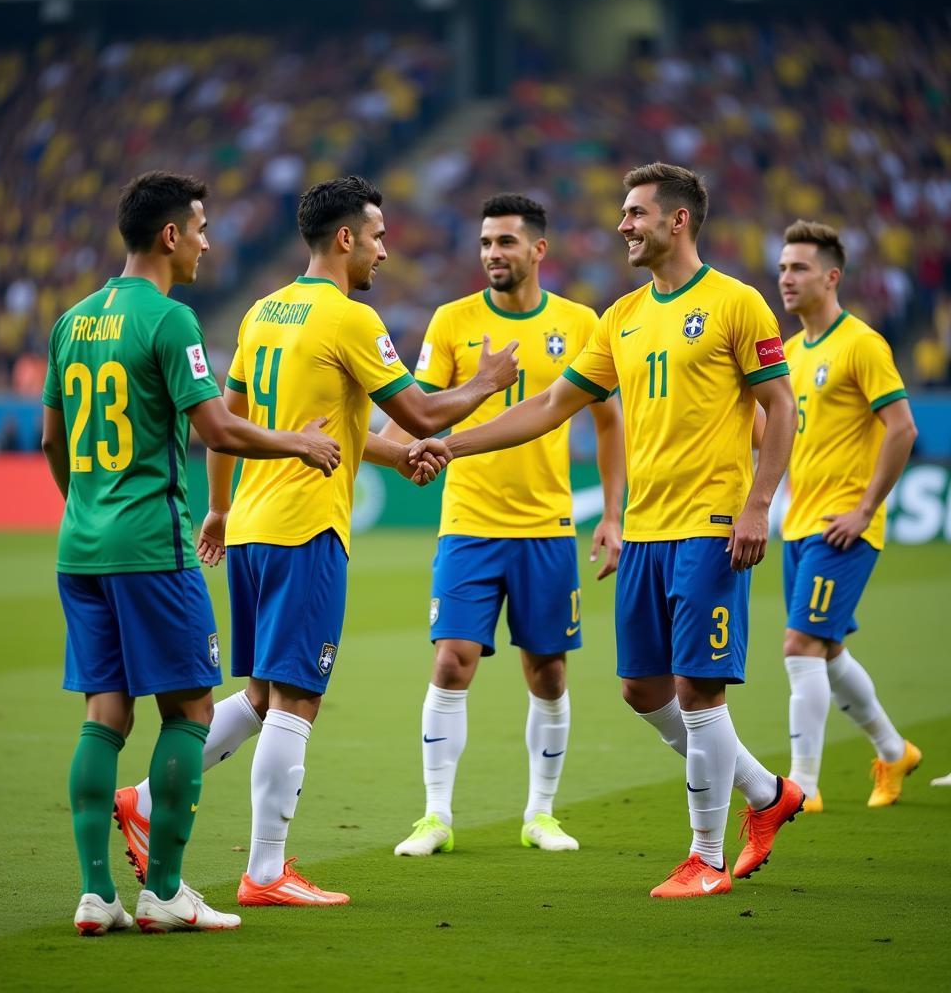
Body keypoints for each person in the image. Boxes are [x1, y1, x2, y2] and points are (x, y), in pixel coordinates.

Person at [113, 175, 519, 906]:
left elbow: (230, 420)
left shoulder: (264, 312)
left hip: (254, 530)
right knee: (298, 700)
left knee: (264, 697)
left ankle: (144, 798)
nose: (385, 252)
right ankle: (267, 872)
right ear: (345, 239)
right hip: (308, 530)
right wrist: (488, 381)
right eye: (379, 236)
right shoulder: (350, 319)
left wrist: (218, 511)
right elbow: (423, 412)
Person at [410, 163, 803, 898]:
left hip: (712, 525)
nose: (623, 225)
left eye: (635, 213)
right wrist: (451, 442)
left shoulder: (736, 303)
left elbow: (781, 408)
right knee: (640, 690)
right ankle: (765, 792)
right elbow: (554, 403)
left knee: (697, 691)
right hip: (648, 530)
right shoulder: (620, 316)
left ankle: (705, 857)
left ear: (677, 220)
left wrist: (758, 505)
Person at [41, 171, 342, 935]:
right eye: (201, 228)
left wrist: (86, 505)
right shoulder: (170, 320)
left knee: (104, 712)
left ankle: (94, 894)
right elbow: (219, 429)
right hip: (150, 544)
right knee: (190, 709)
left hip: (80, 545)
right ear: (170, 235)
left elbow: (50, 439)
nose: (209, 242)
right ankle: (166, 891)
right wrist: (299, 444)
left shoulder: (71, 321)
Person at [384, 193, 625, 856]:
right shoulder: (453, 320)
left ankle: (540, 814)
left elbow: (607, 421)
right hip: (468, 522)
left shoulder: (580, 323)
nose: (493, 253)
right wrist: (413, 442)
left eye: (506, 243)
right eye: (486, 243)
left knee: (547, 672)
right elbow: (423, 407)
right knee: (452, 662)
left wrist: (610, 512)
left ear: (538, 250)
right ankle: (434, 816)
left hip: (546, 526)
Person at [777, 219, 920, 811]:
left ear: (832, 276)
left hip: (842, 528)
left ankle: (803, 784)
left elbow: (902, 428)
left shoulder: (861, 343)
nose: (786, 277)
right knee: (827, 652)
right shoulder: (788, 352)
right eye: (783, 267)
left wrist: (865, 509)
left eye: (800, 267)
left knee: (800, 646)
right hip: (799, 523)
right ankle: (893, 752)